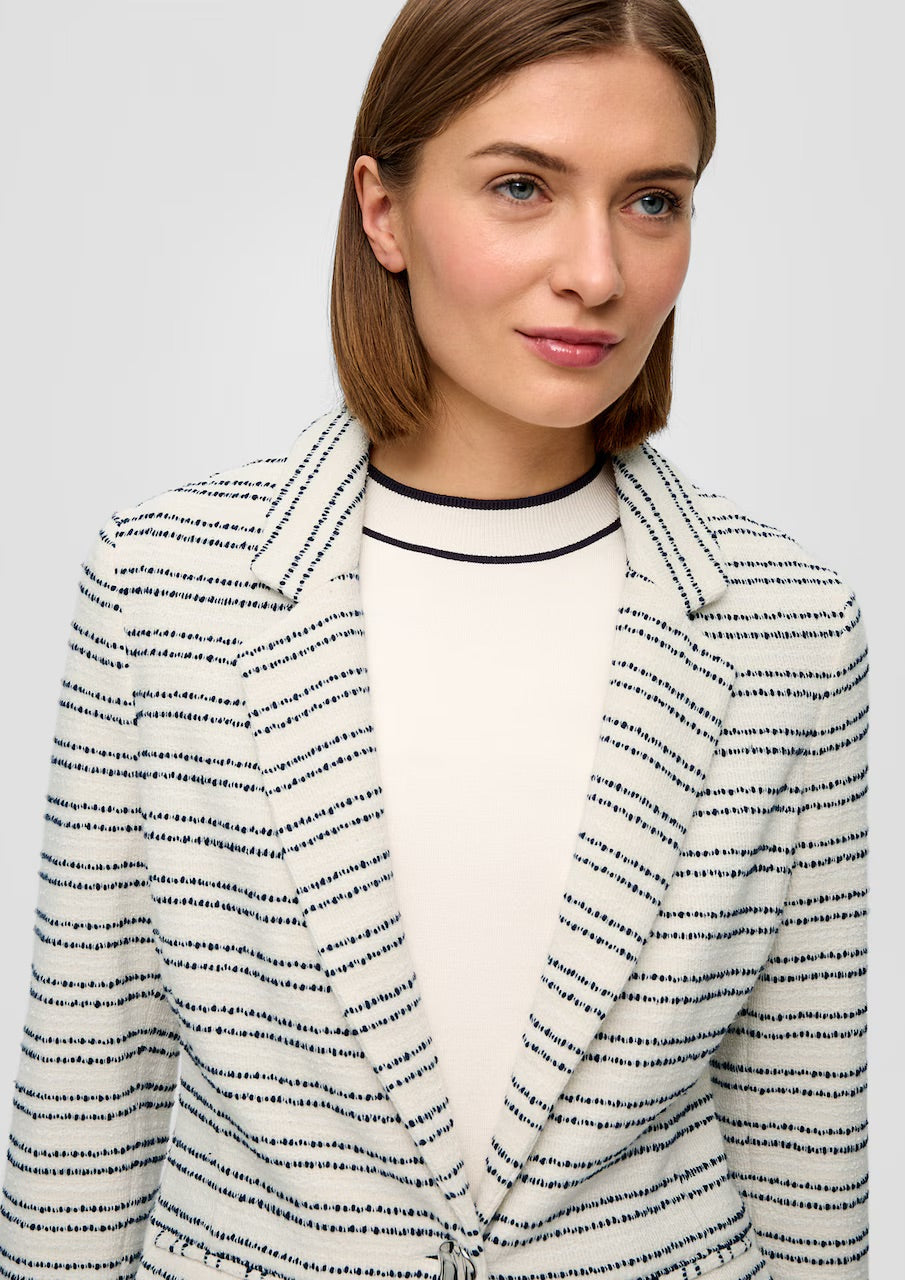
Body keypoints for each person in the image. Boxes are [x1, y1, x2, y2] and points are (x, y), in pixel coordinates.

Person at [0, 1, 868, 1278]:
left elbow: (804, 1143)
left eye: (651, 200)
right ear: (383, 210)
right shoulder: (161, 593)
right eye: (522, 186)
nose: (596, 271)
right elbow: (88, 1104)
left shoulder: (790, 627)